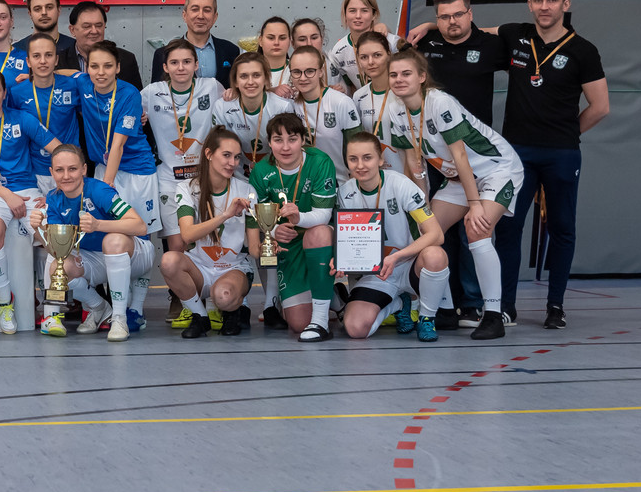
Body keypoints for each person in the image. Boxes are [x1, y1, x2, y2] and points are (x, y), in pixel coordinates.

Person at [489, 0, 609, 328]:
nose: (545, 6)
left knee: (562, 228)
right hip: (517, 154)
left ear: (565, 5)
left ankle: (555, 305)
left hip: (561, 154)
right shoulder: (515, 35)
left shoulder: (583, 50)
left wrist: (568, 134)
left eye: (552, 0)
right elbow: (469, 30)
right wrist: (429, 25)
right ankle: (505, 306)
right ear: (529, 4)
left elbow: (600, 107)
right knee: (508, 228)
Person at [385, 48, 524, 340]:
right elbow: (413, 163)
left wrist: (475, 204)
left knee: (477, 228)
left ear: (422, 77)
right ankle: (445, 309)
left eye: (406, 73)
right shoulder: (395, 110)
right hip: (459, 178)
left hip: (496, 169)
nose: (399, 79)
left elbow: (460, 155)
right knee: (428, 229)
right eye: (394, 74)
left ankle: (493, 315)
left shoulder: (439, 102)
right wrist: (420, 202)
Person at [405, 0, 503, 328]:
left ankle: (473, 304)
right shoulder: (425, 45)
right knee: (435, 228)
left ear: (470, 14)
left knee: (473, 229)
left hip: (475, 158)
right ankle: (443, 304)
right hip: (435, 156)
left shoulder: (490, 46)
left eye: (458, 14)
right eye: (444, 17)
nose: (452, 22)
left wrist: (432, 23)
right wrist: (430, 27)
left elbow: (514, 34)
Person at [0, 67, 60, 334]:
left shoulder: (22, 118)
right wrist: (7, 196)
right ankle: (6, 302)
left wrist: (57, 192)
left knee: (54, 239)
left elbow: (59, 150)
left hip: (27, 190)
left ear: (5, 93)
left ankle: (52, 313)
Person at [142, 38, 227, 325]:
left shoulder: (212, 87)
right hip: (169, 177)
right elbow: (124, 106)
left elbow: (236, 98)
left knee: (209, 236)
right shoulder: (151, 93)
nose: (181, 67)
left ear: (196, 65)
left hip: (204, 176)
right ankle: (181, 297)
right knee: (177, 242)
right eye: (175, 62)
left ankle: (211, 297)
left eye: (187, 62)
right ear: (165, 67)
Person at [77, 42, 160, 328]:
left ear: (118, 68)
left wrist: (108, 184)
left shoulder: (129, 93)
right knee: (111, 235)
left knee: (141, 235)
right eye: (94, 66)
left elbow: (118, 145)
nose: (100, 72)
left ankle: (136, 308)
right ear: (86, 68)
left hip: (136, 172)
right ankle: (115, 305)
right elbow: (64, 74)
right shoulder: (82, 84)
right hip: (104, 167)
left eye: (107, 66)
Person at [336, 131, 449, 342]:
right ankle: (397, 304)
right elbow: (348, 241)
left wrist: (397, 257)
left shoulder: (401, 184)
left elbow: (436, 234)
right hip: (377, 273)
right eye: (353, 159)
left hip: (409, 265)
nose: (360, 165)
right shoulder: (345, 193)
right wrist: (340, 259)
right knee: (355, 329)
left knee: (435, 255)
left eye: (367, 158)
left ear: (380, 160)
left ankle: (426, 317)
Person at [29, 144, 149, 342]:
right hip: (95, 258)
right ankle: (99, 307)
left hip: (134, 255)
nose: (66, 176)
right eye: (59, 170)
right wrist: (38, 229)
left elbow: (140, 226)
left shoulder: (99, 190)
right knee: (59, 267)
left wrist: (98, 224)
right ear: (51, 172)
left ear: (84, 169)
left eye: (72, 169)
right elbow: (57, 250)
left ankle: (119, 318)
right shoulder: (54, 198)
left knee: (112, 240)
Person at [162, 128, 260, 338]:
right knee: (169, 261)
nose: (232, 163)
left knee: (223, 296)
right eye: (226, 155)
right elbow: (187, 235)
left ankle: (234, 310)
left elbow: (253, 249)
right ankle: (200, 316)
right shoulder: (187, 188)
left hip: (233, 268)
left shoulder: (247, 190)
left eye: (236, 157)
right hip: (199, 268)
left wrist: (271, 246)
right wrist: (225, 215)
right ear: (208, 154)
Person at [248, 114, 338, 341]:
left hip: (317, 236)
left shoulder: (320, 161)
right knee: (298, 324)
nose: (286, 147)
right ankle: (334, 296)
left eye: (293, 139)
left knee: (318, 232)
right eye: (278, 140)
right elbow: (257, 217)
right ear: (269, 143)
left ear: (303, 140)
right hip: (287, 243)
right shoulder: (261, 171)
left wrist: (299, 219)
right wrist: (274, 231)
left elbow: (324, 215)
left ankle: (320, 321)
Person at [6, 31, 82, 195]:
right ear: (28, 61)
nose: (42, 61)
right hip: (34, 171)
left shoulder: (73, 86)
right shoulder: (17, 93)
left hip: (69, 169)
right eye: (36, 56)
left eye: (48, 55)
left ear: (56, 59)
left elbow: (92, 115)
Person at [283, 44, 362, 184]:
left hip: (340, 183)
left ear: (320, 71)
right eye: (296, 72)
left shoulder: (341, 102)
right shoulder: (290, 105)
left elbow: (358, 147)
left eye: (310, 71)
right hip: (305, 184)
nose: (303, 78)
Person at [210, 51, 294, 175]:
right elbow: (219, 149)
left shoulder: (283, 107)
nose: (250, 82)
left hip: (275, 175)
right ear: (235, 81)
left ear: (266, 79)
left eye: (256, 75)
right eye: (244, 76)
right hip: (235, 176)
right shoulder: (222, 107)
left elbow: (288, 150)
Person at [150, 0, 241, 85]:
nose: (200, 16)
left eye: (207, 10)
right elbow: (157, 92)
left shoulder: (231, 51)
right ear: (185, 15)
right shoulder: (162, 54)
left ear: (215, 17)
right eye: (195, 9)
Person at [350, 32, 411, 176]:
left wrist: (408, 181)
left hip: (405, 176)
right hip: (374, 177)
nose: (370, 62)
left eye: (377, 55)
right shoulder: (359, 96)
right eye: (364, 57)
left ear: (389, 55)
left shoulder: (404, 92)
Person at [327, 0, 401, 93]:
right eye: (352, 11)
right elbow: (350, 88)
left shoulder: (391, 41)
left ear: (374, 15)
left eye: (364, 10)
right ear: (345, 14)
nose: (358, 16)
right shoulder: (339, 50)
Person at [58, 1, 143, 87]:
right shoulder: (58, 61)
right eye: (87, 26)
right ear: (72, 30)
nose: (94, 31)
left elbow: (135, 93)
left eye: (98, 26)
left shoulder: (126, 59)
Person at [13, 0, 77, 58]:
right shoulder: (16, 50)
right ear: (30, 14)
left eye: (49, 7)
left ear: (59, 10)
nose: (44, 12)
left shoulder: (75, 48)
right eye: (37, 9)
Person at [257, 16, 294, 93]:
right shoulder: (247, 69)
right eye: (271, 38)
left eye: (282, 38)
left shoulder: (298, 69)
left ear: (290, 41)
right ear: (260, 41)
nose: (276, 43)